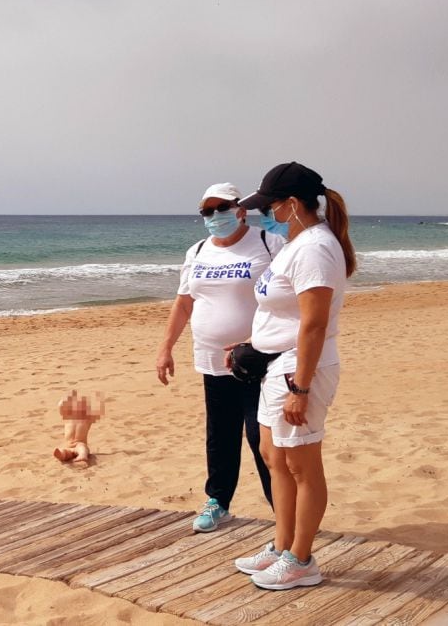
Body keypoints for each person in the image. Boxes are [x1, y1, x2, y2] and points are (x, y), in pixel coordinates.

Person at [230, 162, 356, 590]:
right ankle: (283, 546)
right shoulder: (294, 242)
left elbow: (314, 324)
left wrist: (300, 387)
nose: (266, 213)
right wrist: (254, 343)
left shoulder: (315, 248)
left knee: (302, 464)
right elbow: (281, 311)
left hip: (300, 367)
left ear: (292, 204)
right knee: (274, 456)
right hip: (276, 363)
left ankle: (302, 559)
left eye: (270, 205)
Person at [156, 183, 282, 532]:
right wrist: (165, 348)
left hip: (260, 361)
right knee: (220, 435)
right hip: (212, 362)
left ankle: (283, 510)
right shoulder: (197, 251)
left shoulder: (268, 243)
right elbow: (184, 303)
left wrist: (259, 339)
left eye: (221, 208)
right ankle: (219, 502)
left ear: (240, 209)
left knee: (263, 439)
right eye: (206, 211)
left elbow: (290, 296)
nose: (214, 216)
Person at [52, 390, 104, 468]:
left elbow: (97, 412)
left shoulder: (87, 420)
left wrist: (99, 399)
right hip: (69, 446)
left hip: (80, 444)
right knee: (65, 452)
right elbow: (60, 405)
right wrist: (69, 397)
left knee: (83, 449)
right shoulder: (68, 416)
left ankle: (82, 456)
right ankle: (61, 454)